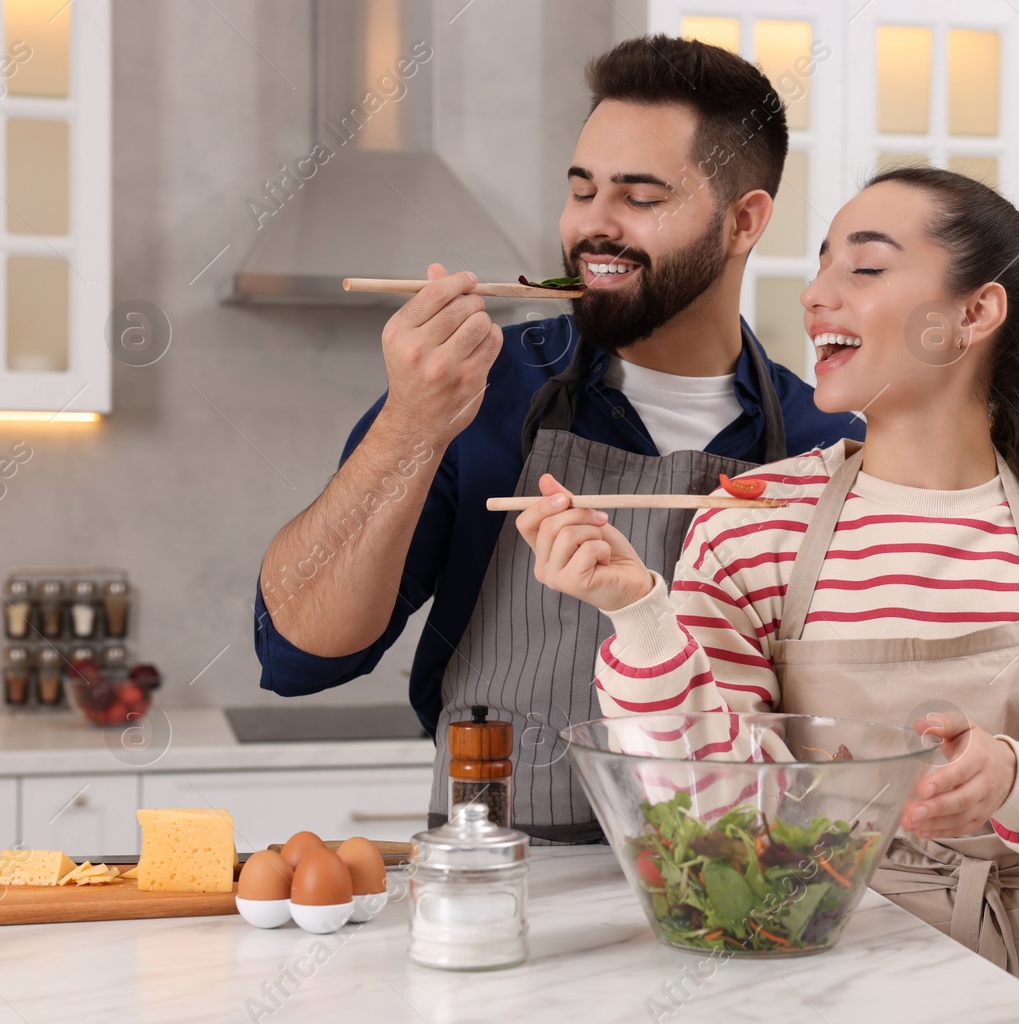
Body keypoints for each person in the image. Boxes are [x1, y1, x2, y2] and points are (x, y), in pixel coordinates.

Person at [517, 167, 1019, 1024]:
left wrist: (1012, 779)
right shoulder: (755, 517)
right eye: (819, 266)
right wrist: (642, 619)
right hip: (836, 983)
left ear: (974, 314)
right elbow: (718, 816)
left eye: (867, 268)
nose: (816, 295)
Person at [252, 36, 861, 841]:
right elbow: (299, 655)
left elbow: (840, 732)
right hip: (497, 883)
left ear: (743, 220)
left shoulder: (827, 444)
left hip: (731, 893)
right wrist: (408, 427)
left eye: (640, 198)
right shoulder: (481, 387)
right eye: (581, 191)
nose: (593, 227)